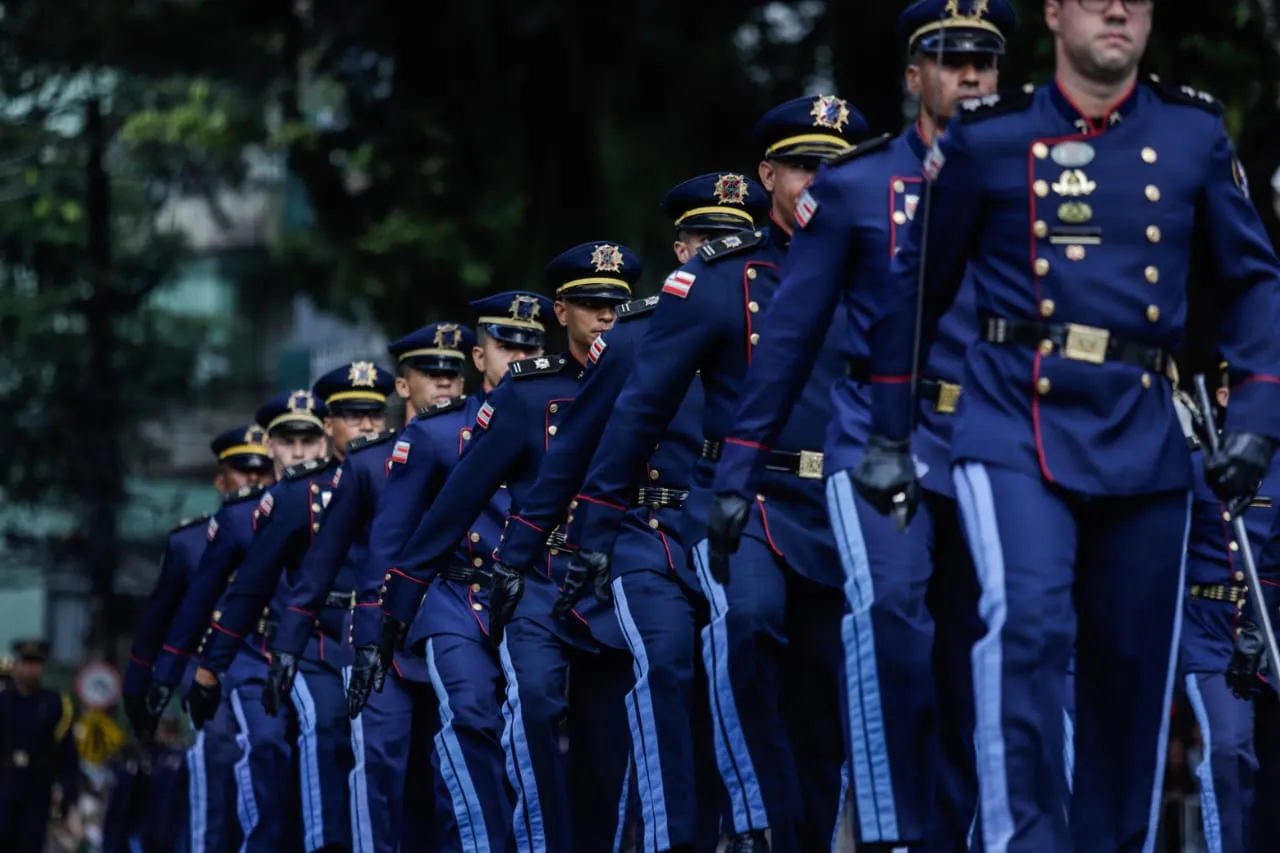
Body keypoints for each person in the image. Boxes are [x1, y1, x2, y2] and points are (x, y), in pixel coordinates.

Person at [852, 1, 1280, 850]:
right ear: (1056, 13)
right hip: (1014, 416)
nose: (1116, 9)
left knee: (1129, 669)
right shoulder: (988, 139)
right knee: (1031, 624)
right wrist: (890, 435)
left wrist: (1257, 420)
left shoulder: (1194, 134)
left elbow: (1254, 281)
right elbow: (917, 288)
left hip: (1144, 424)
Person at [704, 3, 1014, 849]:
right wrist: (735, 474)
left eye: (987, 60)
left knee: (975, 649)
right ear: (915, 75)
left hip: (989, 444)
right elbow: (789, 338)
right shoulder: (857, 185)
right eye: (952, 59)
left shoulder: (1035, 181)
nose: (973, 75)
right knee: (891, 615)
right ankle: (889, 829)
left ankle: (950, 831)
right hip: (877, 438)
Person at [566, 95, 865, 853]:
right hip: (746, 503)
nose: (817, 182)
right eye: (803, 166)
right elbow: (638, 412)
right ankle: (754, 816)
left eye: (835, 168)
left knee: (825, 697)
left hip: (840, 508)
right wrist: (596, 529)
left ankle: (793, 832)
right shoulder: (720, 282)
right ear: (769, 174)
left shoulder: (880, 278)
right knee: (748, 620)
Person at [491, 172, 764, 853]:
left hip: (744, 534)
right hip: (645, 542)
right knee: (666, 668)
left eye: (737, 238)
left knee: (745, 679)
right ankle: (675, 839)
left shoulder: (782, 318)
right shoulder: (637, 338)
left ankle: (751, 827)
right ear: (681, 248)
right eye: (707, 240)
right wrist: (526, 552)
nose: (722, 254)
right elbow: (579, 455)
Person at [380, 247, 637, 852]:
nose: (605, 317)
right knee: (536, 709)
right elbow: (456, 502)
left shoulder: (650, 371)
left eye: (616, 305)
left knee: (611, 741)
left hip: (617, 576)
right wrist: (397, 602)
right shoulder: (526, 394)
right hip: (536, 580)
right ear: (562, 312)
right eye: (593, 304)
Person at [352, 294, 548, 853]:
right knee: (471, 716)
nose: (519, 356)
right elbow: (389, 541)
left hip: (533, 595)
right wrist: (374, 634)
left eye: (530, 345)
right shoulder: (438, 433)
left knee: (536, 726)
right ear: (480, 358)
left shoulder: (562, 414)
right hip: (454, 597)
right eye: (506, 345)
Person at [270, 322, 473, 853]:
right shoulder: (368, 462)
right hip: (379, 641)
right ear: (405, 386)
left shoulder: (480, 449)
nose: (446, 384)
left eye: (454, 373)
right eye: (432, 373)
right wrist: (289, 644)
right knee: (379, 766)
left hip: (456, 630)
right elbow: (321, 562)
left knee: (451, 776)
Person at [197, 363, 394, 853]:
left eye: (374, 413)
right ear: (333, 426)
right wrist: (210, 667)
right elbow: (250, 587)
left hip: (392, 637)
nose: (367, 425)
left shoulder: (410, 472)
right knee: (317, 736)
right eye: (353, 414)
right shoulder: (298, 492)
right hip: (314, 642)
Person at [150, 392, 328, 852]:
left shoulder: (344, 494)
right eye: (288, 442)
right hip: (248, 655)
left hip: (327, 650)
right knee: (241, 757)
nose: (299, 453)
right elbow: (198, 608)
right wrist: (172, 674)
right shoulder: (240, 519)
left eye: (309, 440)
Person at [125, 424, 271, 853]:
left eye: (263, 469)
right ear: (220, 480)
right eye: (243, 471)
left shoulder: (298, 531)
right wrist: (139, 687)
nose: (254, 479)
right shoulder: (190, 542)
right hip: (210, 678)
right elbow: (158, 620)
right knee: (215, 780)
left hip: (271, 668)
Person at [1178, 368, 1280, 853]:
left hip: (1272, 628)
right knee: (1228, 748)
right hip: (1210, 633)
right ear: (1221, 397)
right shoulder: (1190, 467)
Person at [0, 640, 79, 853]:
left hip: (37, 783)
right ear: (16, 665)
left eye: (35, 663)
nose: (30, 669)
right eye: (25, 662)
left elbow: (67, 753)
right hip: (5, 781)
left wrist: (68, 791)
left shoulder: (55, 704)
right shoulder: (3, 700)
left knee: (31, 842)